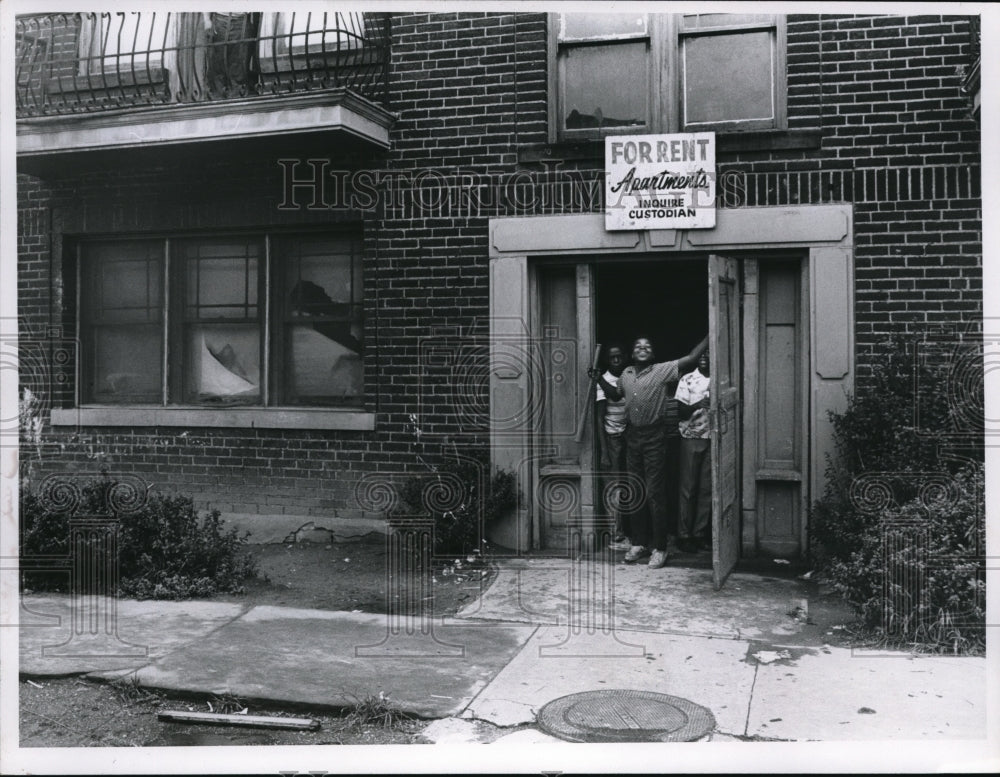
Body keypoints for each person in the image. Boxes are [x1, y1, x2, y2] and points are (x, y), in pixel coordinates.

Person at [590, 334, 709, 569]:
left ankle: (660, 548)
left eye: (648, 346)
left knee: (655, 493)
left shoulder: (661, 370)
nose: (643, 348)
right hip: (632, 436)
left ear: (652, 354)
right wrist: (598, 380)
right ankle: (639, 543)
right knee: (637, 490)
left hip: (655, 437)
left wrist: (710, 331)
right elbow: (615, 395)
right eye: (638, 346)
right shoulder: (626, 375)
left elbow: (692, 357)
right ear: (633, 354)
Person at [676, 349, 712, 554]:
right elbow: (680, 411)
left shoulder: (719, 379)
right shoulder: (688, 380)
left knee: (706, 489)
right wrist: (698, 404)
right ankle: (684, 535)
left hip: (714, 438)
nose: (705, 357)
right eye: (701, 354)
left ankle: (699, 534)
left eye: (709, 354)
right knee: (688, 489)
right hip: (691, 437)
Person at [594, 344, 630, 551]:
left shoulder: (630, 376)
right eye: (612, 357)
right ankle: (617, 537)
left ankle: (630, 533)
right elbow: (599, 419)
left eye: (619, 356)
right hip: (612, 438)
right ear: (608, 360)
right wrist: (605, 452)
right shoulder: (603, 381)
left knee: (630, 485)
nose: (616, 360)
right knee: (614, 488)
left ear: (625, 357)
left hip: (629, 437)